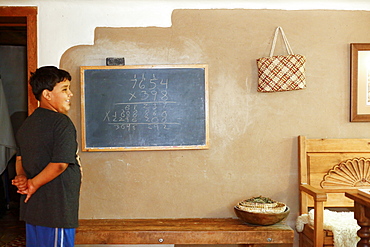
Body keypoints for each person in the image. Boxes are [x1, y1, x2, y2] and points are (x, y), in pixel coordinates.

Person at [12, 66, 81, 247]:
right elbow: (60, 164)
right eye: (65, 89)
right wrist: (32, 184)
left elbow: (20, 160)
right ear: (47, 95)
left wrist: (22, 177)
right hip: (56, 209)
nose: (70, 94)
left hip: (34, 209)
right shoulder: (61, 123)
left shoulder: (27, 124)